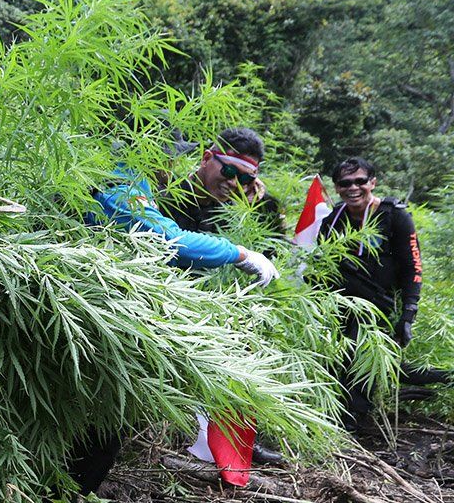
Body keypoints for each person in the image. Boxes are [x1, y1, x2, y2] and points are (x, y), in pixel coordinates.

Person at [91, 129, 284, 466]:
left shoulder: (150, 186)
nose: (172, 164)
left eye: (244, 178)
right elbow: (172, 242)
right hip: (109, 317)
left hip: (144, 317)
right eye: (229, 172)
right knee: (100, 433)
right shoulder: (126, 187)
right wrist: (238, 253)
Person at [317, 156, 450, 423]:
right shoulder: (333, 221)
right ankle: (441, 379)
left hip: (382, 306)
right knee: (346, 361)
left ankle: (354, 419)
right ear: (336, 187)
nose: (353, 188)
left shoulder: (395, 217)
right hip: (342, 305)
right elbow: (322, 267)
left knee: (361, 358)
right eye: (345, 183)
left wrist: (408, 314)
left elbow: (413, 267)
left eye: (360, 181)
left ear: (373, 182)